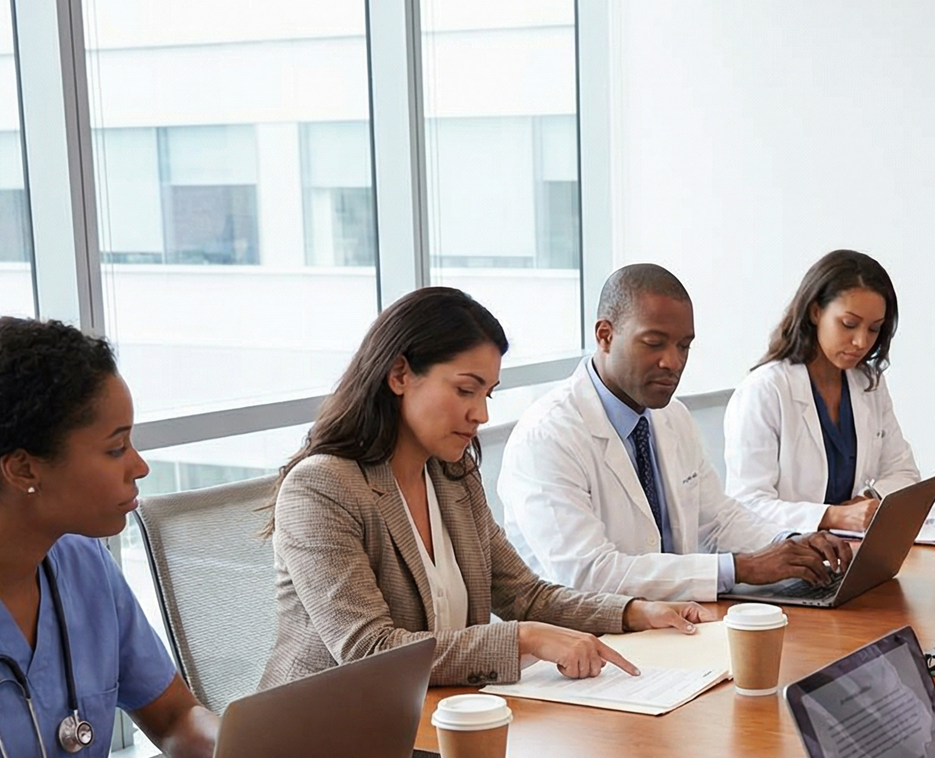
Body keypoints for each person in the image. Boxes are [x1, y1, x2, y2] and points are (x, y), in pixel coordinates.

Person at [262, 287, 713, 691]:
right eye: (465, 390)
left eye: (488, 394)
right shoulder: (321, 488)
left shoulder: (452, 476)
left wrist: (634, 612)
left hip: (437, 717)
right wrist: (525, 637)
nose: (480, 414)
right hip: (327, 735)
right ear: (399, 375)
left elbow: (525, 596)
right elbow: (369, 651)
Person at [0, 317, 216, 758]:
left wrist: (254, 754)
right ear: (23, 468)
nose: (140, 466)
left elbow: (174, 718)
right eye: (115, 448)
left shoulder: (82, 565)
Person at [499, 264, 854, 601]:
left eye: (684, 345)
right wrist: (741, 568)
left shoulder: (671, 416)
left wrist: (792, 544)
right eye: (654, 343)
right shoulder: (547, 436)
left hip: (673, 621)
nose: (674, 362)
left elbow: (716, 520)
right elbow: (589, 574)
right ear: (605, 336)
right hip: (590, 644)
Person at [722, 250, 920, 534]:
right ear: (815, 312)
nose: (861, 341)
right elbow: (746, 505)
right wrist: (833, 516)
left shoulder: (868, 382)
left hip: (851, 548)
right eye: (849, 324)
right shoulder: (766, 390)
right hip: (788, 556)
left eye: (875, 329)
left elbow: (905, 473)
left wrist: (866, 501)